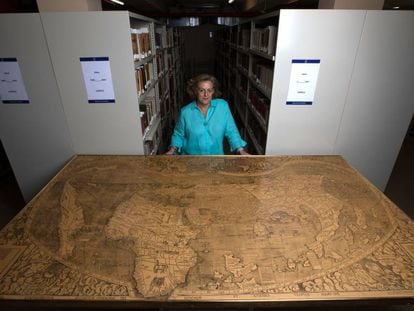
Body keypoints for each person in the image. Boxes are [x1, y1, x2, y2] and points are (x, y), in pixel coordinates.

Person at [165, 74, 249, 155]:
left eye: (209, 90)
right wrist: (172, 150)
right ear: (195, 91)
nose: (206, 95)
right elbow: (178, 134)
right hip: (190, 160)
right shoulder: (185, 112)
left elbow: (231, 130)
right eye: (202, 90)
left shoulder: (222, 106)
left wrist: (240, 150)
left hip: (216, 160)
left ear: (213, 91)